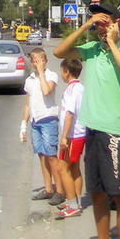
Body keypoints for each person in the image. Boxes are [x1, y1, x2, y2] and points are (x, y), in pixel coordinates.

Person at [54, 3, 120, 239]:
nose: (101, 28)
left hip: (114, 131)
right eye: (98, 23)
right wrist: (84, 27)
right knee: (98, 193)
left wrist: (113, 41)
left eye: (105, 23)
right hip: (91, 130)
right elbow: (60, 52)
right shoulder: (92, 50)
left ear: (117, 23)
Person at [20, 48, 61, 204]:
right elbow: (27, 104)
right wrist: (23, 125)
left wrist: (41, 72)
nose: (37, 63)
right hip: (36, 121)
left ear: (45, 61)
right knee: (42, 155)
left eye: (40, 60)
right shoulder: (29, 80)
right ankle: (48, 188)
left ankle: (60, 191)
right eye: (34, 61)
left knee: (51, 156)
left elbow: (46, 91)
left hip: (48, 119)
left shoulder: (51, 75)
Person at [53, 57, 85, 219]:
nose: (61, 74)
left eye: (62, 71)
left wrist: (64, 136)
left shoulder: (72, 90)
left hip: (72, 135)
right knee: (74, 168)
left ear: (67, 72)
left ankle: (72, 204)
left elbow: (69, 114)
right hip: (79, 134)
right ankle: (76, 200)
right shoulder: (80, 87)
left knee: (62, 167)